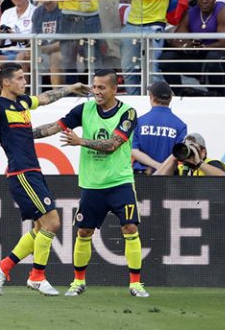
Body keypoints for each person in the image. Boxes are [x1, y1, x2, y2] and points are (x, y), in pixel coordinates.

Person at [31, 69, 149, 298]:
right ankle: (78, 282)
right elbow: (55, 126)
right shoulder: (84, 109)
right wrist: (22, 134)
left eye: (102, 87)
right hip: (92, 184)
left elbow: (113, 144)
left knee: (130, 228)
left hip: (120, 182)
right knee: (84, 231)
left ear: (115, 89)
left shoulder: (128, 113)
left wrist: (80, 141)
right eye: (94, 86)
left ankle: (136, 284)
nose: (96, 91)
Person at [0, 63, 89, 296]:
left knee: (40, 227)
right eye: (19, 78)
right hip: (21, 173)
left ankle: (4, 266)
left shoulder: (22, 103)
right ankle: (37, 277)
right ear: (6, 83)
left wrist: (71, 88)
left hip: (32, 171)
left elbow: (45, 98)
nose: (24, 82)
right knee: (52, 223)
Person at [159, 0, 225, 93]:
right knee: (167, 58)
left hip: (218, 55)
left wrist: (204, 47)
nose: (204, 1)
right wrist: (186, 45)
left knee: (213, 57)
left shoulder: (223, 11)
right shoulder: (191, 12)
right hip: (197, 54)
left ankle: (217, 93)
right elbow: (176, 39)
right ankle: (178, 93)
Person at [131, 81, 187, 175]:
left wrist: (157, 166)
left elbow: (133, 150)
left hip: (142, 176)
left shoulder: (139, 122)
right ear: (171, 98)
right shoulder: (180, 125)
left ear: (151, 97)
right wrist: (162, 168)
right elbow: (179, 155)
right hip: (168, 178)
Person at [31, 0, 64, 87]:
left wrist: (43, 49)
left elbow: (67, 42)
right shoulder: (38, 12)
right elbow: (34, 38)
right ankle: (28, 95)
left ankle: (57, 95)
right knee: (24, 56)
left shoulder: (65, 9)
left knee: (55, 56)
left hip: (69, 53)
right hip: (44, 51)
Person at [154, 132, 225, 176]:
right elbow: (157, 181)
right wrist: (174, 156)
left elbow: (223, 178)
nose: (190, 151)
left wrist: (199, 163)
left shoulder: (211, 163)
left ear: (203, 152)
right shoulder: (180, 168)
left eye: (193, 147)